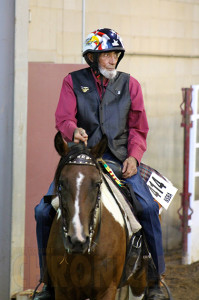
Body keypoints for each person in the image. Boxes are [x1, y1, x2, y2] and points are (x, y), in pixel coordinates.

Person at [34, 28, 166, 300]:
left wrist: (134, 156)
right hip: (80, 159)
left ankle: (154, 280)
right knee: (42, 212)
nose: (113, 60)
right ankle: (47, 281)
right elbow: (63, 117)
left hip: (118, 161)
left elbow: (138, 129)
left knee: (150, 208)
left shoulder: (131, 85)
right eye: (107, 54)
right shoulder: (72, 82)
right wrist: (73, 131)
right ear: (92, 57)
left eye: (116, 54)